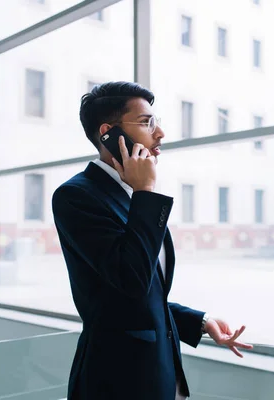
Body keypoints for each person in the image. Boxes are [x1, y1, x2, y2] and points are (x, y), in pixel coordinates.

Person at [52, 82, 252, 400]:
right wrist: (145, 193)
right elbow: (130, 279)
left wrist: (201, 322)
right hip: (116, 382)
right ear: (108, 132)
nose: (159, 134)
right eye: (147, 123)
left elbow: (142, 297)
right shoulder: (77, 196)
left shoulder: (133, 194)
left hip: (159, 377)